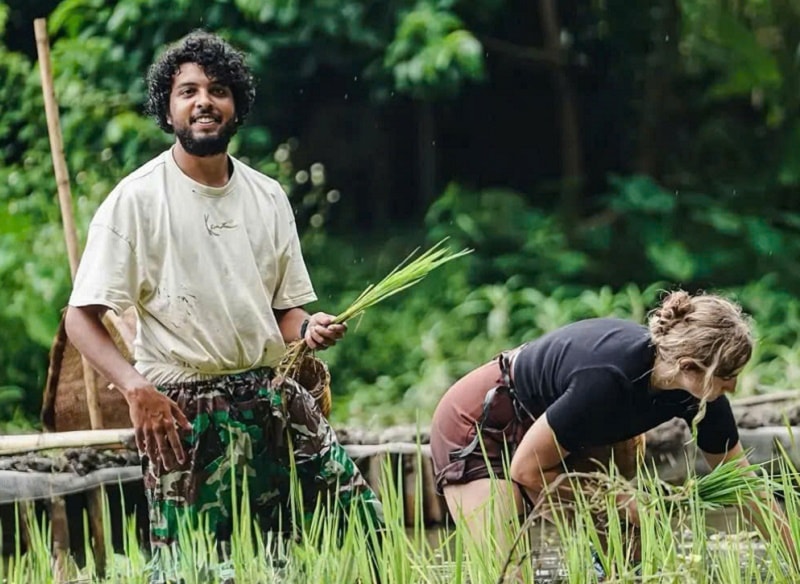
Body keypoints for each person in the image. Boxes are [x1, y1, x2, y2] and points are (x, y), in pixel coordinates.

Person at [65, 31, 383, 583]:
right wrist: (137, 390)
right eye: (187, 91)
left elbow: (283, 312)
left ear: (237, 105)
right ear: (167, 108)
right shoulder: (138, 199)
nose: (204, 101)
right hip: (184, 410)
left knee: (357, 528)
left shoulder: (267, 197)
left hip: (270, 396)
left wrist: (309, 327)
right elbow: (80, 318)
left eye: (218, 89)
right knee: (198, 570)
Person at [430, 290, 795, 576]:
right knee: (508, 574)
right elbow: (526, 469)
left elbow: (744, 486)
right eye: (727, 377)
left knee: (632, 555)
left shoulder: (701, 396)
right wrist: (619, 498)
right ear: (688, 367)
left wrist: (795, 561)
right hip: (483, 424)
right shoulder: (607, 379)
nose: (733, 388)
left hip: (561, 427)